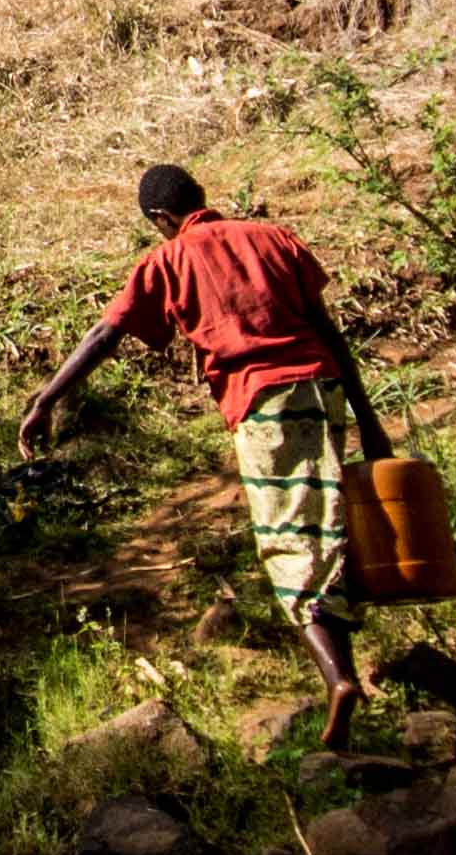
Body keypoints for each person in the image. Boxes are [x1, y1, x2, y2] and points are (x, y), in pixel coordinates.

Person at [20, 160, 394, 749]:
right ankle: (347, 665)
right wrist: (370, 423)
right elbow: (329, 331)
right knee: (325, 522)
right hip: (324, 391)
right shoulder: (274, 238)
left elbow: (103, 335)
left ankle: (340, 680)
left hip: (264, 403)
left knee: (289, 537)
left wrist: (45, 399)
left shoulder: (168, 260)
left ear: (161, 218)